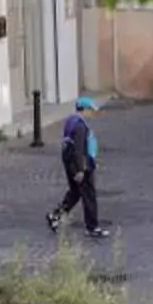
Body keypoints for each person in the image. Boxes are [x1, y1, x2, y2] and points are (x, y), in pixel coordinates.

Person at [47, 95, 105, 237]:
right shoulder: (80, 126)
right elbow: (79, 149)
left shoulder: (71, 121)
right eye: (90, 110)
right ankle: (92, 227)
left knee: (75, 192)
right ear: (84, 109)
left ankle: (55, 215)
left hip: (70, 162)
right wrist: (81, 169)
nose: (92, 113)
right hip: (81, 165)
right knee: (89, 194)